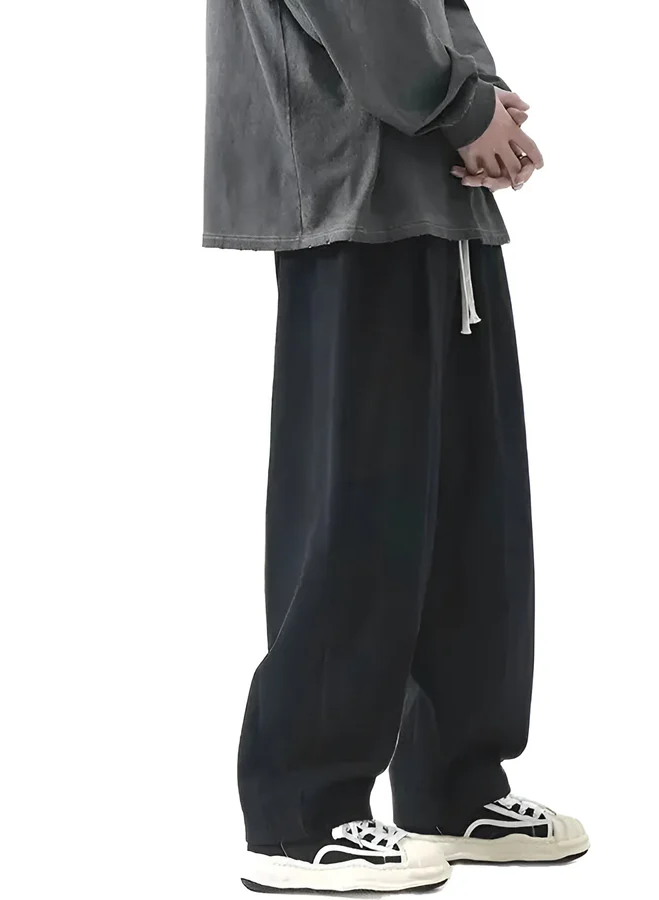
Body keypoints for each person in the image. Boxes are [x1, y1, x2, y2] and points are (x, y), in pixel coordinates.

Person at [203, 0, 588, 892]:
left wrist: (483, 99)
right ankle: (301, 813)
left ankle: (454, 786)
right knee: (358, 508)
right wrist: (464, 108)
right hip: (355, 181)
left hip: (431, 186)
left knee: (471, 505)